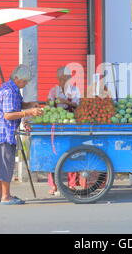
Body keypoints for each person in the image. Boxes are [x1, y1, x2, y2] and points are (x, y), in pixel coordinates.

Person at [0, 64, 43, 205]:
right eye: (24, 81)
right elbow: (8, 115)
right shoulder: (9, 92)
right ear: (17, 78)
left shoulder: (10, 88)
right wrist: (29, 112)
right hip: (4, 133)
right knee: (5, 165)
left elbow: (16, 105)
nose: (25, 84)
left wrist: (29, 104)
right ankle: (6, 197)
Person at [47, 66, 81, 195]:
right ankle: (53, 185)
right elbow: (49, 104)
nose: (61, 80)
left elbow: (78, 104)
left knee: (72, 153)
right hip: (56, 123)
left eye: (64, 78)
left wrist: (66, 101)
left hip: (70, 123)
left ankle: (72, 184)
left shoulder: (75, 90)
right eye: (60, 78)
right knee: (53, 153)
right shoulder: (53, 91)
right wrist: (52, 102)